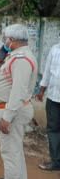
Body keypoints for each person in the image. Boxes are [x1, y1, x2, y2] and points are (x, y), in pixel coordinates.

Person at [0, 24, 38, 179]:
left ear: (12, 40)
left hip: (11, 112)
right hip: (9, 109)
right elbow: (8, 78)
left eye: (5, 39)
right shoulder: (16, 56)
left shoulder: (22, 59)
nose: (4, 42)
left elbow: (18, 92)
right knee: (14, 150)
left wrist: (7, 117)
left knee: (10, 152)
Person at [35, 43, 60, 171]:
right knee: (53, 130)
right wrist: (41, 91)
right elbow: (47, 72)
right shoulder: (55, 49)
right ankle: (56, 162)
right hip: (54, 97)